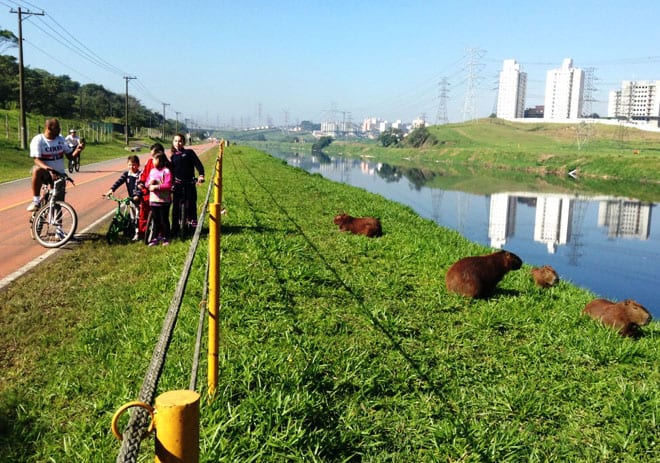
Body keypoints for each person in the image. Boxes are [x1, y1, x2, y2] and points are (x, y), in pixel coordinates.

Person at [27, 118, 83, 211]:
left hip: (59, 174)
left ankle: (58, 225)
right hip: (46, 173)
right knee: (36, 169)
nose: (60, 130)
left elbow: (70, 157)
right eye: (57, 128)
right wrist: (49, 169)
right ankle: (36, 201)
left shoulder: (60, 139)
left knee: (58, 203)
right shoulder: (38, 140)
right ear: (49, 128)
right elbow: (36, 160)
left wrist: (78, 150)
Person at [169, 133, 204, 235]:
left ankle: (193, 226)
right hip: (177, 185)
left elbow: (198, 164)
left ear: (184, 142)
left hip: (190, 183)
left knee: (192, 204)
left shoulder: (189, 153)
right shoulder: (173, 157)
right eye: (175, 141)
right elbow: (171, 172)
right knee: (176, 207)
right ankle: (175, 228)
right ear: (173, 142)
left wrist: (201, 175)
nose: (178, 143)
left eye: (180, 141)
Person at [104, 155, 142, 240]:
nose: (132, 167)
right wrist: (112, 189)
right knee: (132, 217)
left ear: (138, 165)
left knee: (137, 216)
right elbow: (119, 182)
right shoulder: (126, 174)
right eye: (130, 165)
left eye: (134, 165)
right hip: (131, 199)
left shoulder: (140, 175)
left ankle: (137, 233)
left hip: (138, 200)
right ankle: (132, 231)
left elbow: (142, 187)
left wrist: (138, 195)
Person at [136, 143, 166, 239]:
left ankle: (160, 233)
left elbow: (169, 180)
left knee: (161, 216)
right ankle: (143, 233)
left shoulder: (167, 165)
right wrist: (141, 183)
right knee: (143, 214)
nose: (152, 158)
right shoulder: (149, 162)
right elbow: (144, 174)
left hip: (160, 195)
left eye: (153, 155)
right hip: (147, 193)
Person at [145, 151, 172, 246]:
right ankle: (155, 237)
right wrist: (149, 183)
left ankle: (166, 237)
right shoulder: (152, 171)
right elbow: (146, 183)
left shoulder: (166, 171)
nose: (152, 161)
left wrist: (157, 187)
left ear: (160, 160)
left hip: (164, 201)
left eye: (154, 159)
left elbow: (168, 185)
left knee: (164, 220)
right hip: (153, 201)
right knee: (155, 220)